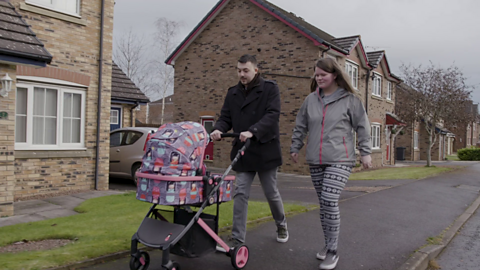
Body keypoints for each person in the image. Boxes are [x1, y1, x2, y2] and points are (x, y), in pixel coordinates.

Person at [290, 58, 372, 270]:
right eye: (316, 75)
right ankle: (328, 245)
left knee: (329, 199)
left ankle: (333, 251)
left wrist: (365, 153)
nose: (318, 78)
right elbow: (301, 125)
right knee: (324, 205)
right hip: (316, 160)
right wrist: (295, 146)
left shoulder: (350, 100)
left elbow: (362, 126)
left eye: (322, 75)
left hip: (340, 159)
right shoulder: (310, 100)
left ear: (334, 75)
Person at [210, 54, 288, 251]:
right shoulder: (233, 93)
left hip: (265, 149)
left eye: (245, 70)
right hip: (243, 152)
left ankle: (281, 225)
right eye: (239, 70)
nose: (242, 74)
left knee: (271, 192)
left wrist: (253, 131)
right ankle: (237, 240)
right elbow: (225, 117)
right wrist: (218, 129)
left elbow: (273, 115)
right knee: (241, 192)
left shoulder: (270, 89)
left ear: (256, 70)